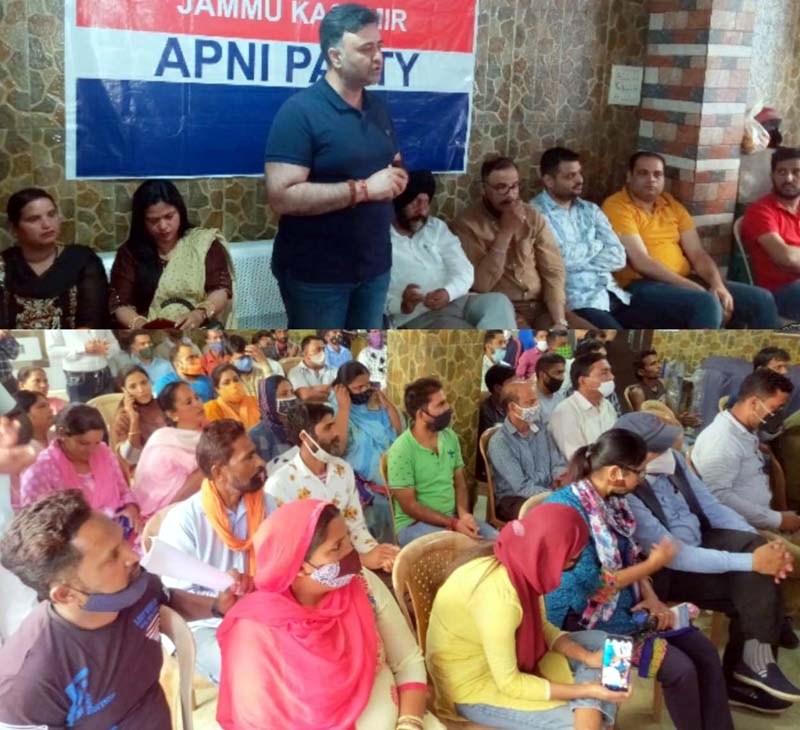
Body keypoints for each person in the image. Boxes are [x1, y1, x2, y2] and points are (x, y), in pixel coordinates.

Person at [0, 490, 249, 729]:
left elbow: (165, 601)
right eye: (112, 557)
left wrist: (217, 606)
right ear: (65, 594)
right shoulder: (27, 682)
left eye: (123, 540)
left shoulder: (135, 586)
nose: (133, 556)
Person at [544, 429, 734, 728]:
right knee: (680, 669)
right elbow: (595, 585)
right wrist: (653, 565)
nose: (642, 478)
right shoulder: (567, 510)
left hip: (626, 606)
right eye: (639, 472)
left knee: (705, 651)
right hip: (580, 619)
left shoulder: (614, 500)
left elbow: (628, 554)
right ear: (616, 472)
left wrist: (652, 596)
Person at [615, 412, 800, 706]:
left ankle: (751, 664)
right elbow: (676, 556)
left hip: (701, 539)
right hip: (669, 570)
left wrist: (762, 549)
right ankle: (750, 668)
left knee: (755, 550)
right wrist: (751, 563)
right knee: (754, 579)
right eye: (657, 449)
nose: (666, 452)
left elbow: (712, 507)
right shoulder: (625, 490)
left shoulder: (673, 462)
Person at [216, 499, 443, 730]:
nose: (350, 554)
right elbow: (257, 720)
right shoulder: (255, 630)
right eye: (336, 548)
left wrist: (409, 724)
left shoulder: (362, 585)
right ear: (299, 565)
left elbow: (408, 661)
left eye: (348, 541)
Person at [264, 4, 408, 328]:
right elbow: (281, 196)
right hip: (318, 277)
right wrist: (364, 190)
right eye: (366, 48)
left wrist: (397, 177)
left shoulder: (379, 108)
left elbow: (393, 160)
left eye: (380, 46)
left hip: (375, 269)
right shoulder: (299, 113)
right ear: (336, 56)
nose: (378, 57)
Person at [426, 503, 629, 729]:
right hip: (474, 689)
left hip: (503, 660)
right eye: (573, 559)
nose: (573, 565)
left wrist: (586, 657)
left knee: (607, 644)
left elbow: (541, 627)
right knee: (581, 722)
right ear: (551, 556)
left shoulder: (522, 564)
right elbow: (510, 684)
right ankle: (591, 708)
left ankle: (590, 706)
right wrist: (585, 690)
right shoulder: (500, 599)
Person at [602, 151, 779, 329]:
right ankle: (706, 355)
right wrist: (695, 288)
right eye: (643, 173)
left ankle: (772, 355)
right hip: (640, 286)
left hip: (683, 279)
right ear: (629, 176)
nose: (651, 179)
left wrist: (717, 285)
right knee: (707, 303)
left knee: (762, 299)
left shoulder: (671, 205)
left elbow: (697, 253)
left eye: (657, 174)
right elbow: (641, 262)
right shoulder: (617, 206)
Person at [158, 419, 269, 684]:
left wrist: (254, 584)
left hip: (258, 608)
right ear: (219, 473)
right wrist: (221, 602)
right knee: (248, 672)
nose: (260, 462)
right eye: (248, 457)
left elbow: (280, 560)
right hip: (204, 624)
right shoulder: (184, 521)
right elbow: (175, 599)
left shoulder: (265, 503)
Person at [692, 369, 800, 615]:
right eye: (775, 408)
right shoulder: (722, 441)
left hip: (760, 521)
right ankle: (774, 616)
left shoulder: (744, 432)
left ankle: (777, 613)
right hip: (739, 529)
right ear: (754, 402)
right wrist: (778, 519)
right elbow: (718, 498)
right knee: (791, 560)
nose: (778, 415)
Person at [451, 155, 589, 328]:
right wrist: (506, 232)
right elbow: (481, 285)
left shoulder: (532, 215)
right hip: (505, 310)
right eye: (501, 188)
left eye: (515, 186)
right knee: (531, 346)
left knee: (590, 335)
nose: (510, 194)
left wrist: (559, 320)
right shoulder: (466, 225)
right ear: (484, 189)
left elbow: (553, 271)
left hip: (543, 306)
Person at [266, 401, 399, 571]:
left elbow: (356, 526)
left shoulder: (342, 469)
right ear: (305, 438)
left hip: (352, 561)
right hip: (312, 579)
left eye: (334, 425)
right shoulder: (279, 486)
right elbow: (296, 555)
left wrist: (379, 554)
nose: (337, 433)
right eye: (328, 428)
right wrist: (361, 560)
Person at [388, 169, 515, 329]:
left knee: (499, 302)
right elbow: (371, 297)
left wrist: (448, 292)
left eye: (426, 202)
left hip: (459, 300)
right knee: (463, 332)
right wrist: (402, 304)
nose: (422, 210)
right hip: (420, 316)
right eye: (415, 203)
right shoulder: (378, 239)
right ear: (399, 203)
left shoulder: (436, 227)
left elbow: (464, 269)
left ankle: (493, 350)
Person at [387, 377, 497, 546]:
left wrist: (464, 515)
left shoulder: (449, 437)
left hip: (452, 518)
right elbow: (409, 506)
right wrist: (453, 524)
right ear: (421, 415)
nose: (448, 408)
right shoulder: (401, 450)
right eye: (441, 405)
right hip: (414, 525)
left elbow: (460, 483)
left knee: (498, 543)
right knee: (465, 550)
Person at [109, 179, 234, 329]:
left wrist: (199, 314)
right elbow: (121, 305)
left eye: (169, 216)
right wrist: (143, 326)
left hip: (197, 329)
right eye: (153, 220)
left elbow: (220, 290)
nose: (163, 226)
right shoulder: (130, 253)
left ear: (180, 211)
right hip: (146, 333)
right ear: (142, 221)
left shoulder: (203, 243)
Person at [531, 147, 631, 328]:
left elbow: (618, 257)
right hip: (579, 302)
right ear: (549, 181)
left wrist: (578, 259)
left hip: (614, 294)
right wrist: (597, 245)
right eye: (570, 176)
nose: (579, 180)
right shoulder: (536, 214)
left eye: (579, 173)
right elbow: (559, 261)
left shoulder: (591, 210)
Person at [20, 404, 141, 537]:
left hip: (118, 530)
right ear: (61, 434)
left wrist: (131, 508)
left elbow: (123, 490)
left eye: (96, 442)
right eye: (83, 443)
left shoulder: (103, 452)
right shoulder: (40, 471)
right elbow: (37, 527)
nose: (92, 450)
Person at [0, 188, 109, 328]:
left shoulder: (81, 260)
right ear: (14, 228)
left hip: (76, 347)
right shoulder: (4, 265)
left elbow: (93, 319)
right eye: (33, 219)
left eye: (51, 214)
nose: (46, 224)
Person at [328, 361, 401, 544]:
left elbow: (397, 434)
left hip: (392, 476)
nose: (364, 390)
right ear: (343, 388)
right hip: (362, 483)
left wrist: (388, 405)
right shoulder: (334, 410)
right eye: (358, 387)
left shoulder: (374, 404)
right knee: (380, 509)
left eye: (367, 384)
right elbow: (339, 448)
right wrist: (344, 408)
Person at [487, 380, 565, 521]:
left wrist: (560, 480)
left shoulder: (541, 429)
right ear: (512, 407)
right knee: (549, 517)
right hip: (514, 499)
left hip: (547, 491)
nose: (536, 406)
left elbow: (557, 463)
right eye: (530, 402)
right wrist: (554, 496)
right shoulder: (500, 442)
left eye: (536, 401)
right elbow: (521, 487)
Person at [741, 147, 800, 321]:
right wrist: (790, 256)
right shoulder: (761, 211)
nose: (788, 178)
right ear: (772, 176)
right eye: (782, 172)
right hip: (780, 292)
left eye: (796, 172)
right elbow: (785, 257)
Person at [133, 382, 206, 521]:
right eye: (188, 402)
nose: (197, 404)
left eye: (197, 398)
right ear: (173, 414)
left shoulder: (205, 431)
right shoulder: (163, 442)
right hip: (163, 510)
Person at [549, 353, 617, 460]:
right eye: (604, 373)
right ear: (583, 381)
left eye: (610, 372)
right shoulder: (566, 412)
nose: (612, 377)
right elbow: (576, 458)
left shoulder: (607, 405)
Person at [110, 365, 166, 470]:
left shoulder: (163, 404)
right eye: (133, 387)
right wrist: (134, 420)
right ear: (124, 390)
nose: (141, 390)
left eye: (144, 383)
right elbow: (130, 458)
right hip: (143, 469)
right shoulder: (123, 418)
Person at [44, 330, 119, 403]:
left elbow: (115, 345)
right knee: (81, 413)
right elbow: (52, 351)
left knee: (108, 411)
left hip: (104, 374)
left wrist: (105, 349)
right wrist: (83, 349)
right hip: (78, 377)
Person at [477, 364, 517, 481]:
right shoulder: (486, 412)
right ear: (498, 388)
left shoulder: (514, 406)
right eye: (513, 384)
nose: (517, 387)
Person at [249, 374, 296, 464]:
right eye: (284, 394)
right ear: (269, 399)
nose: (291, 397)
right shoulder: (257, 435)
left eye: (292, 392)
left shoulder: (300, 425)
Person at [204, 364, 261, 430]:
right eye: (226, 383)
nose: (234, 385)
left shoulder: (256, 401)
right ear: (217, 389)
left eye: (236, 380)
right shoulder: (211, 409)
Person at [288, 334, 338, 402]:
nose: (322, 352)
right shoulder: (295, 372)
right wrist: (334, 394)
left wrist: (312, 389)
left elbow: (346, 392)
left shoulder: (335, 371)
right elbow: (306, 396)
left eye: (323, 349)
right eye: (318, 349)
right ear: (305, 353)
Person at [535, 352, 567, 424]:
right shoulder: (532, 401)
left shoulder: (560, 395)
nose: (562, 377)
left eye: (563, 373)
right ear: (542, 374)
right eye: (558, 373)